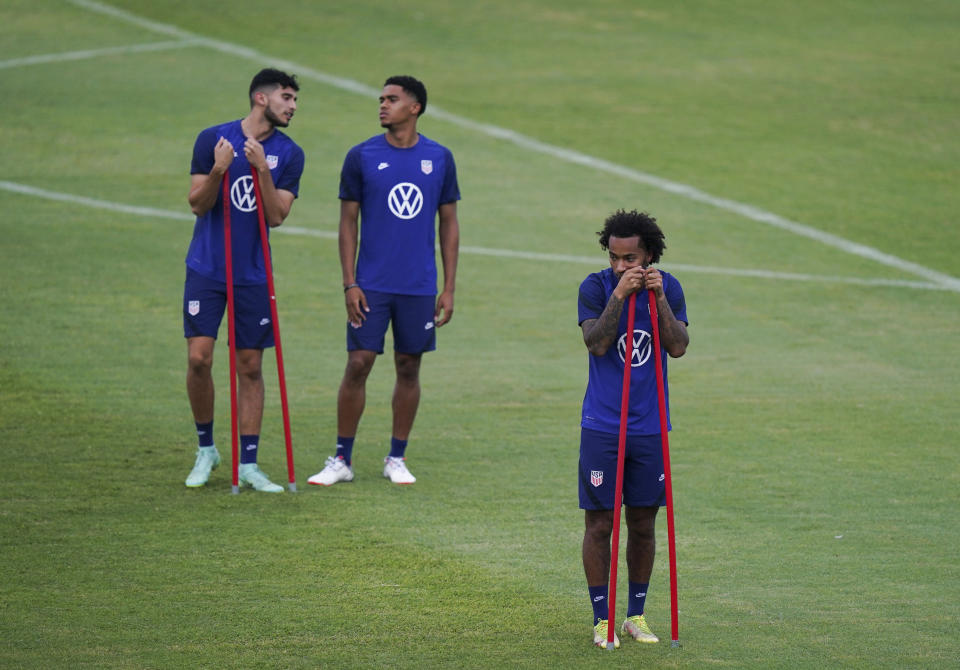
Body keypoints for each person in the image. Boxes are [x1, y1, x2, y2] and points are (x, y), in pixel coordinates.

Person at [308, 75, 460, 487]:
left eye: (391, 99)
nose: (382, 105)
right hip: (371, 283)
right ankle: (341, 458)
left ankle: (397, 456)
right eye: (381, 99)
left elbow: (449, 223)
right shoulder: (361, 156)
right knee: (359, 362)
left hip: (417, 285)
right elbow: (347, 222)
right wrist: (349, 282)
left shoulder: (439, 158)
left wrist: (448, 287)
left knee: (409, 366)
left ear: (415, 108)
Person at [182, 68, 305, 492]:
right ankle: (207, 449)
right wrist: (219, 170)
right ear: (260, 98)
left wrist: (261, 171)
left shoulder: (290, 154)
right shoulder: (212, 139)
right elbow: (198, 205)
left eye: (294, 101)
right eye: (286, 97)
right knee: (199, 358)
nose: (292, 106)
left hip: (253, 273)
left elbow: (275, 216)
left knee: (250, 366)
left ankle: (249, 464)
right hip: (207, 268)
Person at [577, 210, 689, 648]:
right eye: (615, 258)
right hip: (603, 425)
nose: (622, 266)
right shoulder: (595, 287)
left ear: (650, 256)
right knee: (600, 524)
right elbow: (598, 342)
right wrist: (620, 296)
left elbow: (677, 347)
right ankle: (601, 619)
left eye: (631, 258)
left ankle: (635, 615)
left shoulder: (670, 288)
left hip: (650, 426)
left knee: (643, 524)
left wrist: (658, 298)